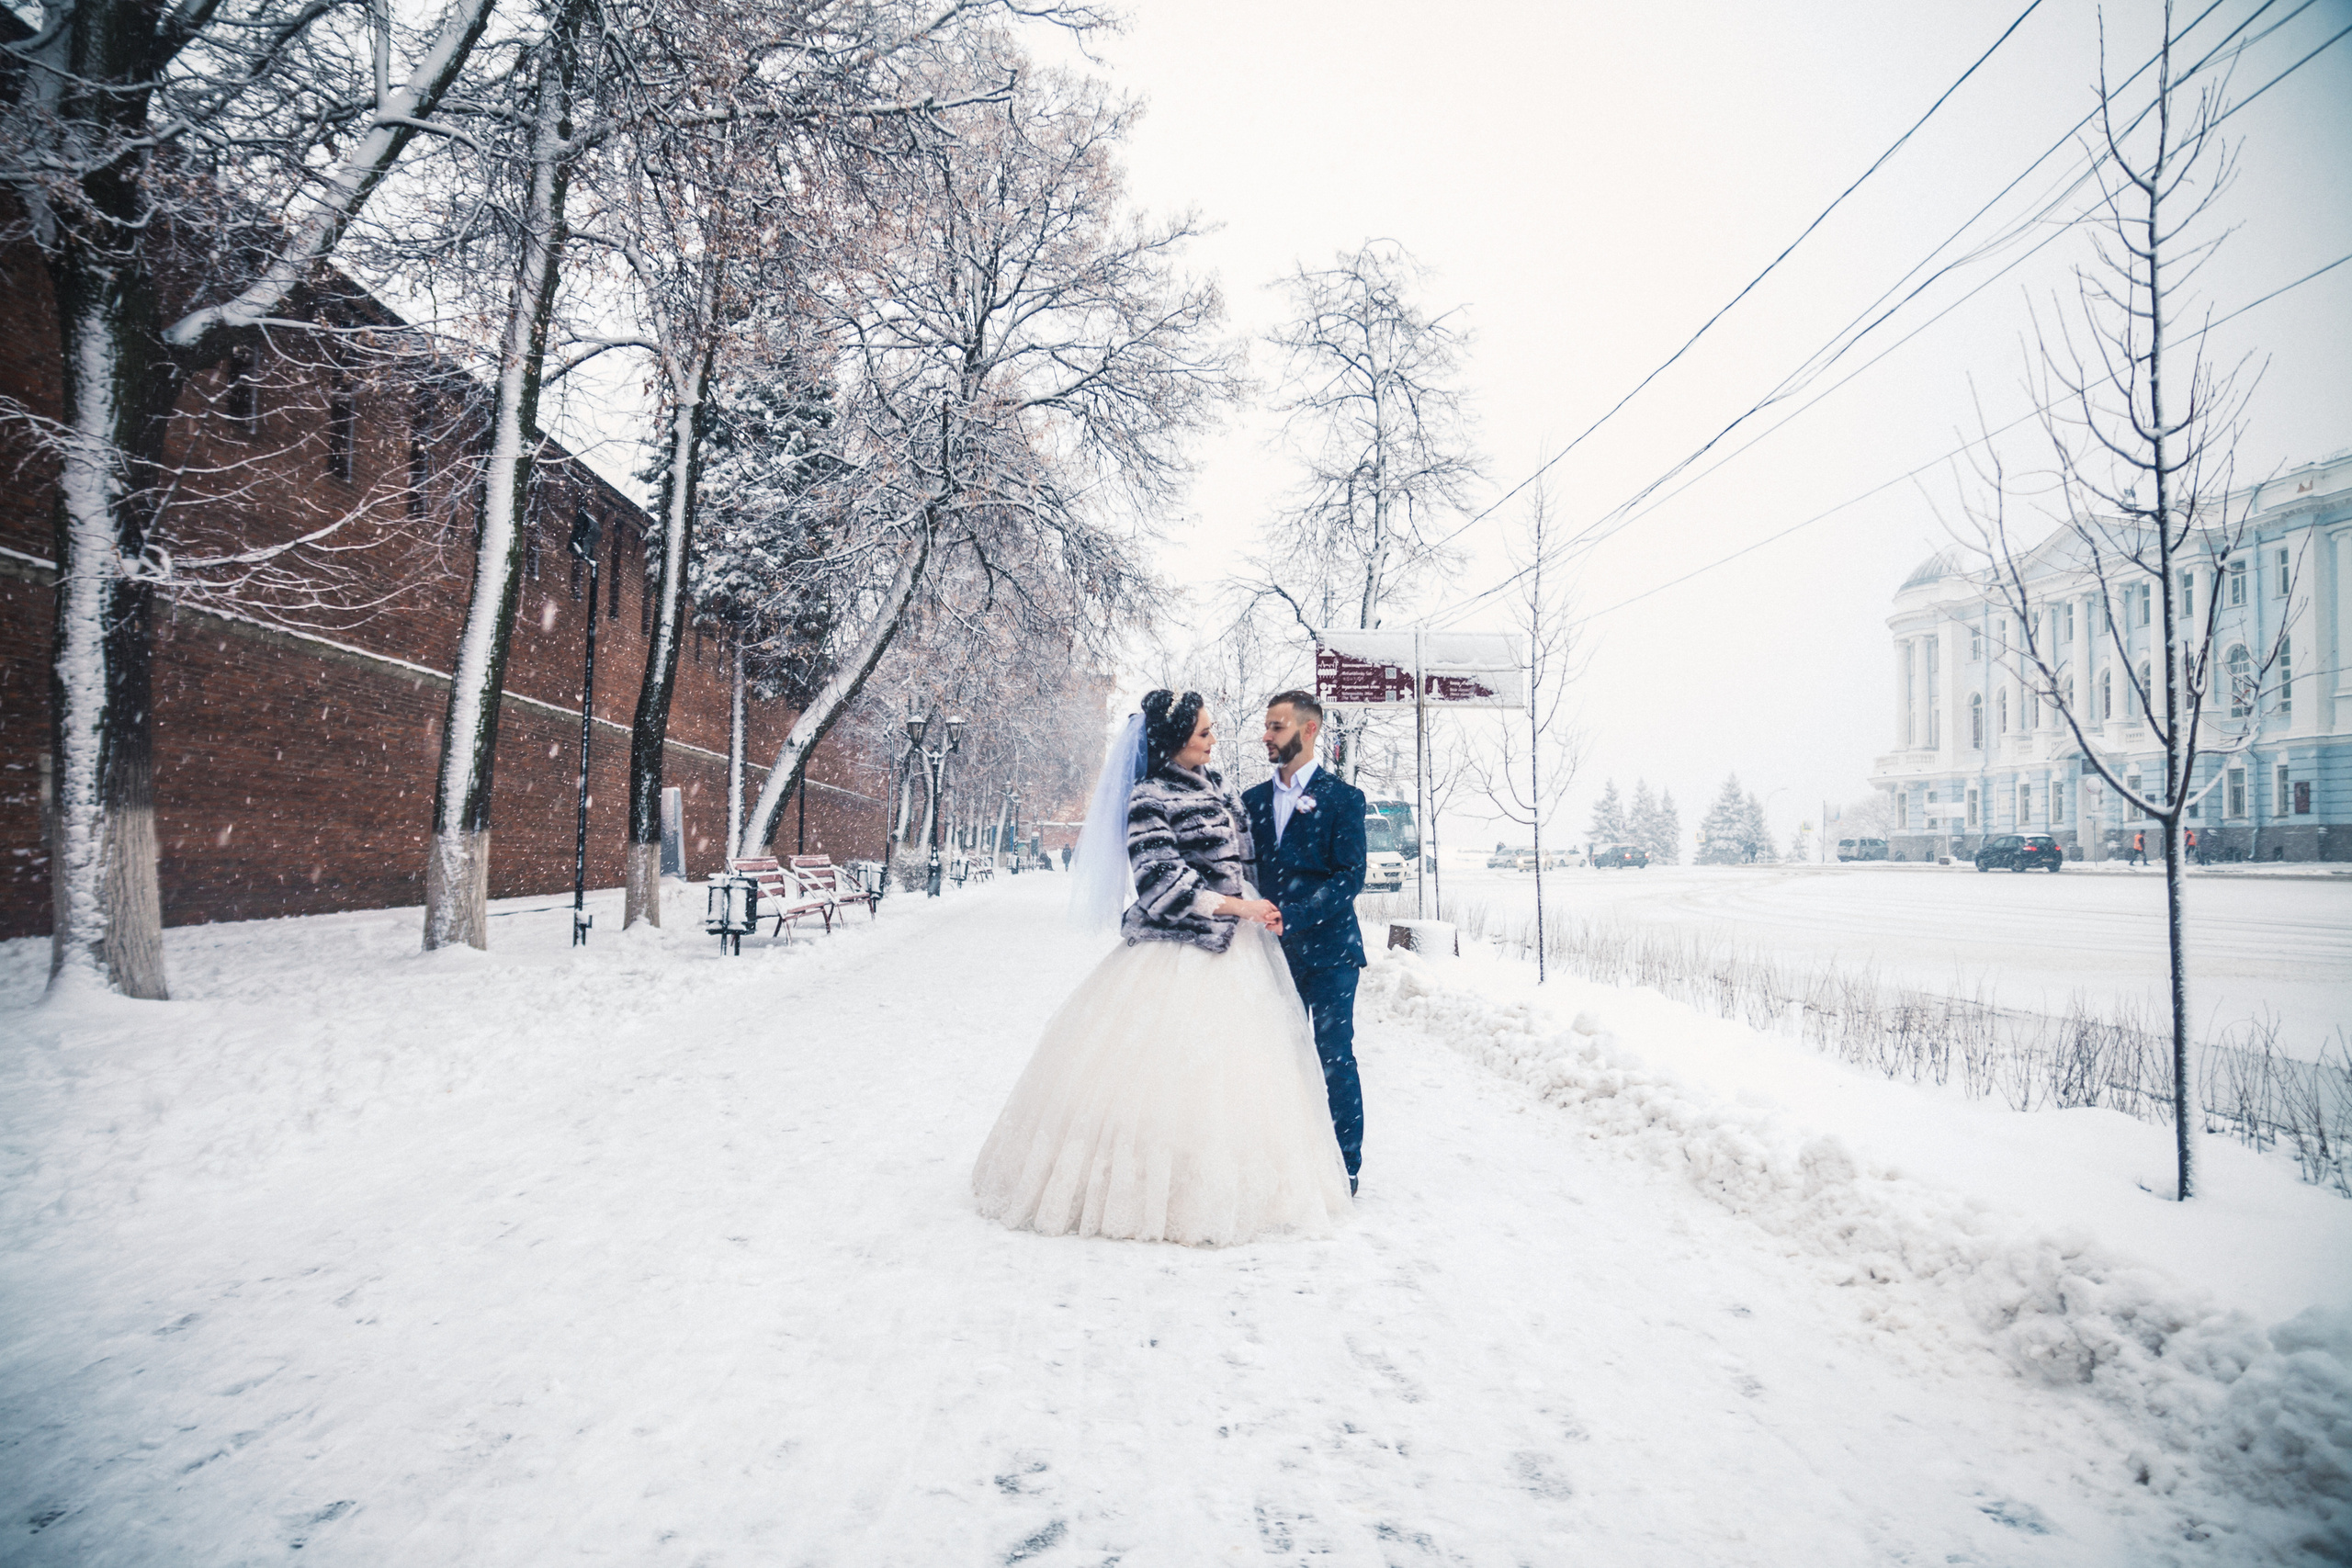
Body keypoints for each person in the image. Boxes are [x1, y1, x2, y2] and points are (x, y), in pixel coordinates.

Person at [971, 691, 1351, 1246]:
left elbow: (1250, 863)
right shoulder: (1149, 796)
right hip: (1178, 945)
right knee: (1162, 1072)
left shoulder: (1221, 787)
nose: (1214, 740)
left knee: (1242, 1076)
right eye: (1203, 733)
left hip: (1241, 948)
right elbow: (1160, 883)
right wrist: (1237, 906)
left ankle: (1234, 1184)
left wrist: (1274, 908)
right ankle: (1148, 1189)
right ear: (1174, 742)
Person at [1238, 691, 1370, 1195]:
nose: (1266, 736)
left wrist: (1294, 915)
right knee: (1273, 1055)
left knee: (1334, 1055)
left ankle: (1344, 1166)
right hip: (1270, 953)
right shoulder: (1250, 801)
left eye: (1277, 726)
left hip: (1331, 952)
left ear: (1309, 729)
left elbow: (1349, 877)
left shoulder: (1344, 799)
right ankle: (1283, 1161)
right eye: (1267, 726)